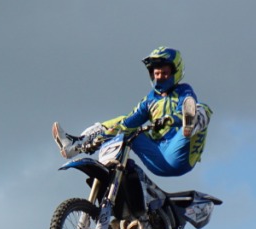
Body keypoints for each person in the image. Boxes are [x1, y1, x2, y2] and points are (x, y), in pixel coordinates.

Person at [53, 46, 211, 178]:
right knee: (126, 127)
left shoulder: (183, 91)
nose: (160, 77)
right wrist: (98, 140)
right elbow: (127, 123)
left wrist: (170, 119)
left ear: (175, 72)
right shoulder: (150, 99)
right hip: (157, 155)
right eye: (157, 74)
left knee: (201, 108)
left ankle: (189, 127)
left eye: (164, 73)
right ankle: (77, 145)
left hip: (180, 153)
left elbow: (186, 106)